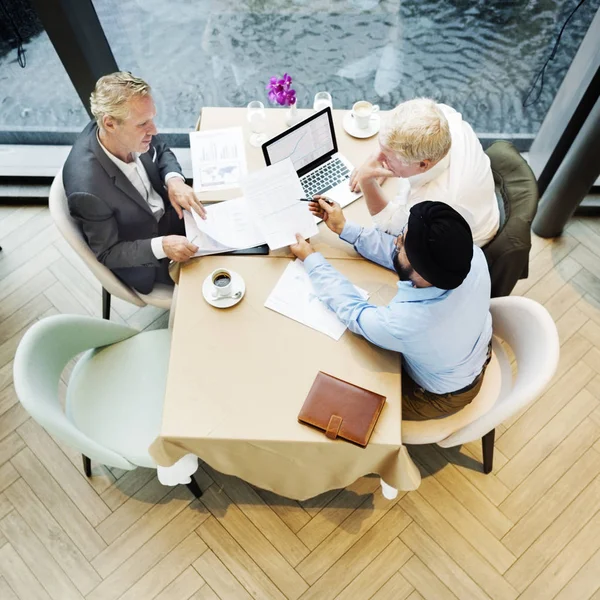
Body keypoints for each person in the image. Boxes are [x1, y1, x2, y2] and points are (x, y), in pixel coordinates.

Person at [290, 197, 493, 421]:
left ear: (421, 272)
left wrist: (310, 259)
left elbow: (353, 311)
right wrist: (344, 228)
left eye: (401, 241)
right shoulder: (471, 256)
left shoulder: (407, 323)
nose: (395, 241)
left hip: (442, 395)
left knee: (339, 397)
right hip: (471, 350)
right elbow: (404, 258)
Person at [63, 72, 205, 294]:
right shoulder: (88, 191)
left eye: (152, 118)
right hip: (148, 256)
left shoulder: (127, 130)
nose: (154, 130)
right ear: (109, 123)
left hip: (171, 214)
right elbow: (108, 252)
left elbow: (161, 148)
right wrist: (163, 246)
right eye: (143, 123)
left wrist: (174, 180)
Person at [349, 98, 499, 247]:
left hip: (460, 240)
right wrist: (385, 158)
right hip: (480, 201)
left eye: (388, 157)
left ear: (422, 164)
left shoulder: (431, 203)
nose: (378, 158)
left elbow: (388, 226)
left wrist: (366, 178)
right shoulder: (440, 117)